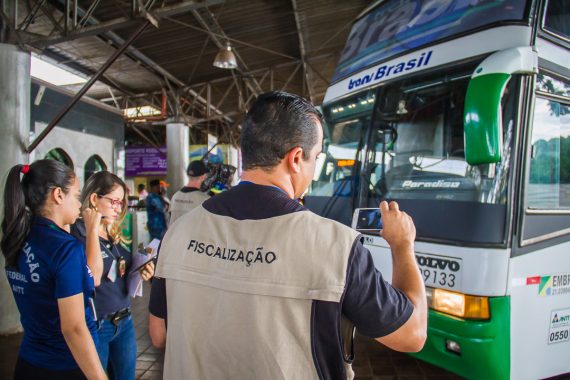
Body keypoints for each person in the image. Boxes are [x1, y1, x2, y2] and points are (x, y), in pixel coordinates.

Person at [149, 91, 427, 379]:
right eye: (316, 157)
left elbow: (159, 335)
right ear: (296, 158)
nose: (314, 171)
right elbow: (412, 334)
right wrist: (402, 245)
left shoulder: (178, 233)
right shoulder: (336, 247)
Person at [2, 160, 107, 380]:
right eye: (77, 196)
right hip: (66, 366)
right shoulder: (65, 249)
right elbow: (74, 328)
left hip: (29, 363)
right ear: (58, 195)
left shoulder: (20, 236)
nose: (80, 205)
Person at [70, 171, 155, 380]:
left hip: (124, 320)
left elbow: (119, 271)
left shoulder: (111, 231)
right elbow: (93, 277)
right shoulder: (77, 234)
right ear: (93, 199)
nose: (119, 209)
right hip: (98, 325)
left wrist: (141, 271)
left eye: (121, 203)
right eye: (114, 202)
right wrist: (92, 230)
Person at [168, 160, 210, 226]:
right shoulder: (204, 199)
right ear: (203, 176)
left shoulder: (175, 197)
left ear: (188, 175)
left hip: (175, 236)